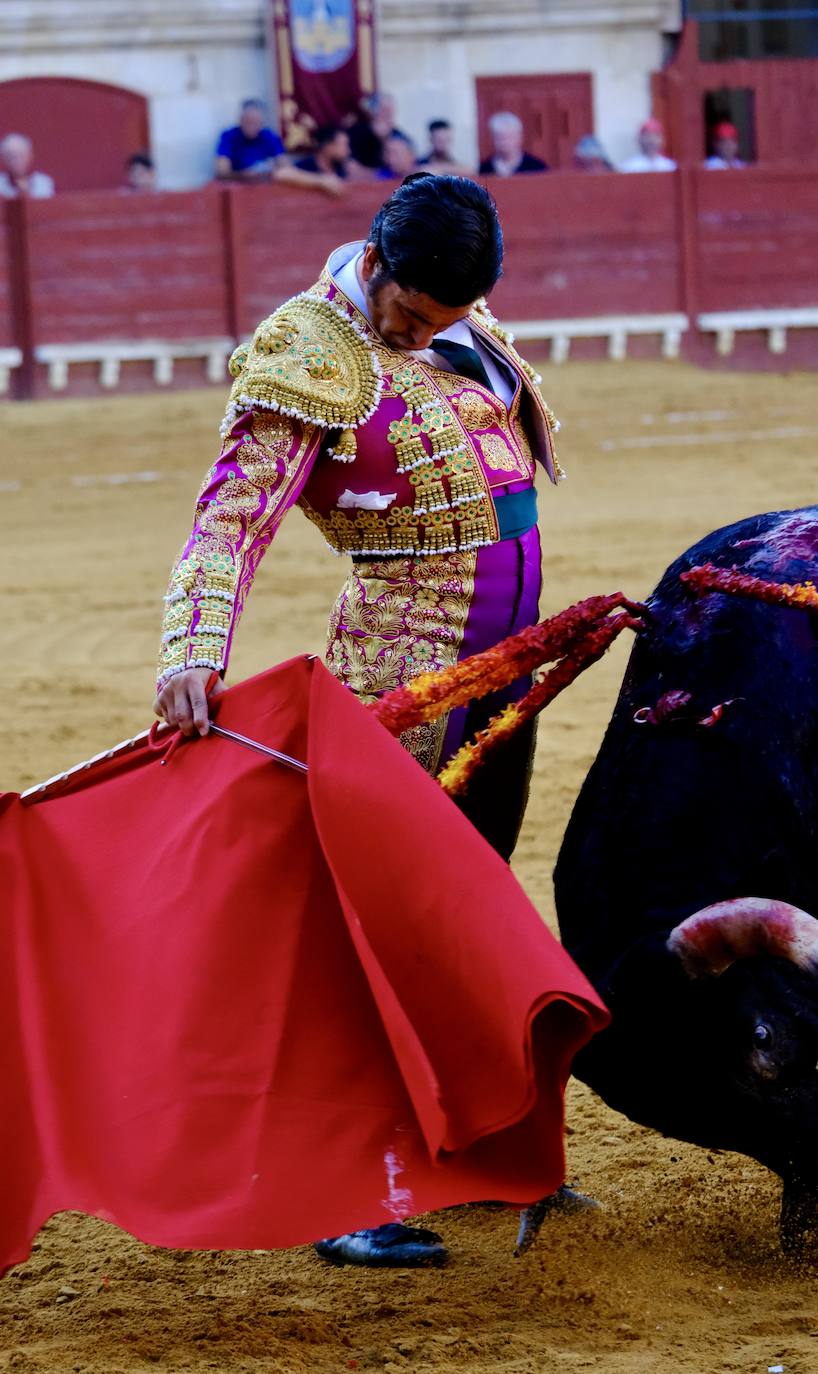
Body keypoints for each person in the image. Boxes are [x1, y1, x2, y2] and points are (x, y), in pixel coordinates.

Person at [153, 173, 564, 1264]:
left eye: (449, 316)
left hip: (502, 668)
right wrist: (193, 654)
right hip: (403, 675)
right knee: (368, 936)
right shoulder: (308, 350)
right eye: (415, 313)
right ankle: (344, 1192)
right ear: (375, 261)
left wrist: (446, 329)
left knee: (471, 908)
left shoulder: (457, 322)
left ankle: (470, 1148)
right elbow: (229, 517)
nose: (426, 331)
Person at [215, 99, 287, 181]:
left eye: (256, 122)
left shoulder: (269, 136)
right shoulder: (229, 137)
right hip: (237, 185)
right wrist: (242, 175)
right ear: (240, 121)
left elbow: (285, 167)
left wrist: (272, 172)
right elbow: (221, 172)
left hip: (264, 184)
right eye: (248, 122)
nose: (252, 127)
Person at [273, 124, 350, 196]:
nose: (348, 150)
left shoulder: (343, 166)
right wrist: (321, 181)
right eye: (343, 145)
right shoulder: (308, 165)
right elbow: (281, 174)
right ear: (327, 146)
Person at [348, 92, 405, 172]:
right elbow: (353, 162)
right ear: (373, 112)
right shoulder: (357, 131)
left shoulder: (399, 134)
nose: (389, 115)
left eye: (391, 111)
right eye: (385, 110)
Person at [479, 112, 548, 176]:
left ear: (520, 137)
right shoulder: (484, 168)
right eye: (500, 137)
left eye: (510, 137)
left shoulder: (536, 167)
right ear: (492, 139)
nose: (505, 142)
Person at [0, 133, 54, 198]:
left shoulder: (44, 183)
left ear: (30, 156)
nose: (16, 161)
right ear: (3, 159)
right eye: (11, 156)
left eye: (21, 155)